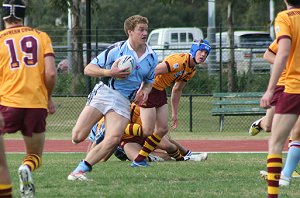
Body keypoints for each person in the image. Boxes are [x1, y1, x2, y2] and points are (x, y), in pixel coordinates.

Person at [68, 15, 157, 181]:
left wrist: (145, 91)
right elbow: (88, 69)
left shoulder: (152, 56)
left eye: (146, 29)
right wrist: (110, 72)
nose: (145, 33)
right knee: (78, 136)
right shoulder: (117, 49)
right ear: (130, 32)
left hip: (124, 101)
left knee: (114, 139)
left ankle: (79, 171)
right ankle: (99, 130)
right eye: (141, 30)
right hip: (104, 92)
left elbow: (149, 82)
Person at [0, 1, 57, 197]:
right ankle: (26, 167)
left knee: (1, 162)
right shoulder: (41, 36)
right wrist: (48, 98)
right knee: (34, 155)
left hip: (6, 103)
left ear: (4, 16)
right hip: (35, 104)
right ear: (23, 16)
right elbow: (50, 73)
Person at [129, 39, 211, 167]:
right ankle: (136, 156)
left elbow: (177, 89)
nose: (203, 55)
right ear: (194, 50)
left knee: (162, 129)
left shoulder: (192, 70)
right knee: (148, 130)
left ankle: (139, 160)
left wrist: (174, 113)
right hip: (150, 90)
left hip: (160, 91)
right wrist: (141, 89)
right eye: (201, 51)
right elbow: (152, 71)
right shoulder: (178, 61)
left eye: (206, 53)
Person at [260, 0, 300, 197]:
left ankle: (273, 193)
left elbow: (282, 52)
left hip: (295, 88)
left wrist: (269, 90)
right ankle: (286, 175)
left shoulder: (285, 18)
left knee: (276, 143)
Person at [87, 103, 208, 162]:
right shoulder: (104, 121)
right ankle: (161, 158)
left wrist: (160, 131)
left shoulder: (139, 104)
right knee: (141, 158)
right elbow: (99, 151)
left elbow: (154, 121)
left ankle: (189, 155)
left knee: (167, 144)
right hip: (128, 140)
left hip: (145, 133)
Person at [249, 41, 300, 179]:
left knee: (296, 130)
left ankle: (288, 171)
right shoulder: (289, 33)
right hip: (282, 85)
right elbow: (267, 55)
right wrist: (287, 65)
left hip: (296, 87)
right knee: (269, 127)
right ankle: (260, 123)